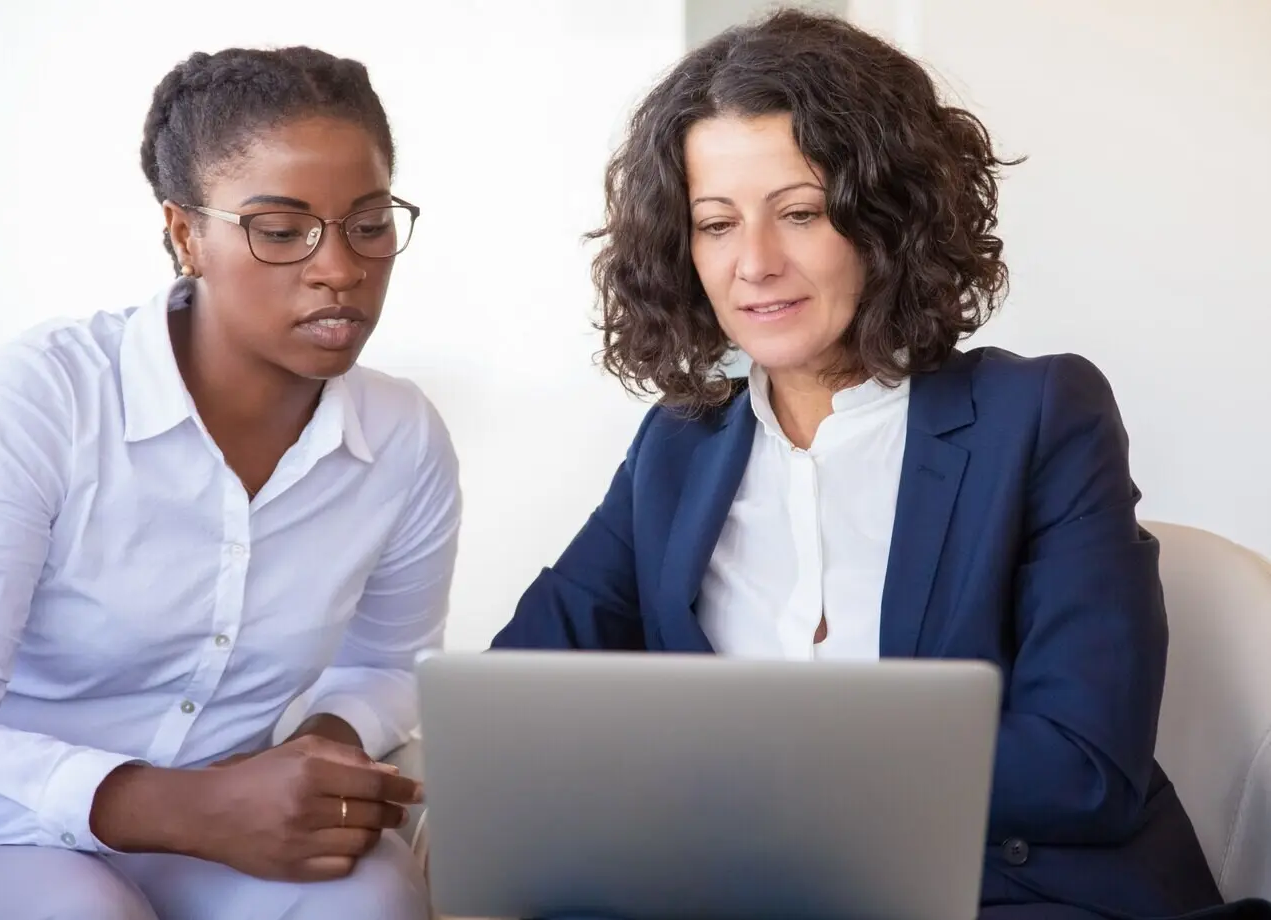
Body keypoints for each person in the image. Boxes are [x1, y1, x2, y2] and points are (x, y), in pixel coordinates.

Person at [492, 10, 1267, 920]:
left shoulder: (1040, 416)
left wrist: (758, 771)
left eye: (801, 213)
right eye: (714, 223)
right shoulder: (679, 445)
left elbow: (1082, 767)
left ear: (887, 217)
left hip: (1009, 896)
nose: (754, 264)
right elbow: (518, 696)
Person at [0, 46, 456, 920]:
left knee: (370, 900)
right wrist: (186, 807)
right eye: (280, 230)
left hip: (236, 824)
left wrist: (312, 755)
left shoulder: (403, 438)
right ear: (186, 233)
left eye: (370, 222)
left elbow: (387, 663)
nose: (339, 267)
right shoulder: (46, 399)